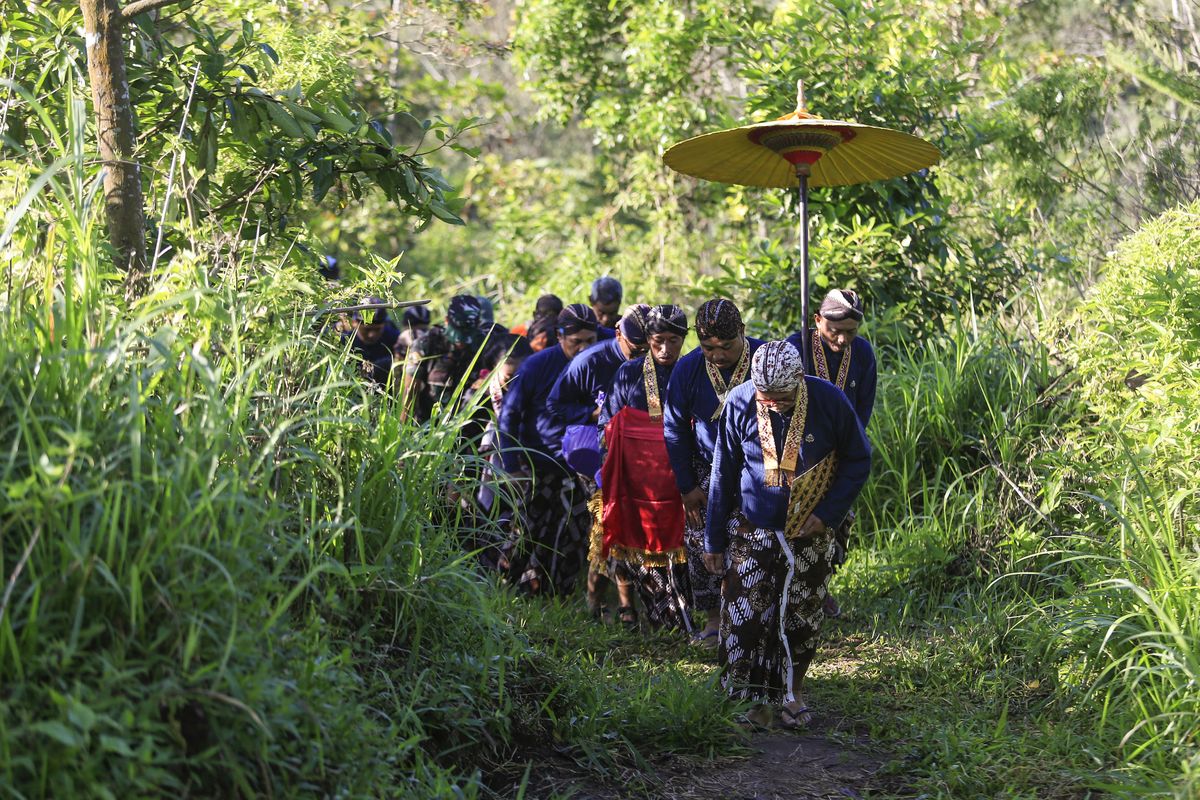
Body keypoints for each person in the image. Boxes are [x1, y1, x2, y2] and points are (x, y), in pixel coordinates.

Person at [703, 340, 871, 729]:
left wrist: (827, 515)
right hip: (752, 530)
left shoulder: (828, 400)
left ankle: (792, 695)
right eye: (767, 397)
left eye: (782, 397)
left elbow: (858, 459)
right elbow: (722, 473)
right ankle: (750, 701)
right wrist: (713, 539)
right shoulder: (740, 402)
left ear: (800, 380)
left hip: (808, 534)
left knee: (801, 616)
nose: (773, 404)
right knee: (746, 618)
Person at [663, 299, 763, 645]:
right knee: (701, 539)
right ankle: (712, 617)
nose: (718, 355)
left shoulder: (764, 360)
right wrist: (686, 485)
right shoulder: (688, 369)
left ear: (743, 333)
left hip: (756, 466)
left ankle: (752, 614)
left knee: (755, 540)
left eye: (727, 346)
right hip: (704, 468)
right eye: (708, 347)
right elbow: (674, 428)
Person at [547, 304, 652, 620]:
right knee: (606, 522)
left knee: (635, 524)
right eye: (637, 347)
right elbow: (555, 405)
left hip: (640, 453)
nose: (644, 353)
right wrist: (590, 415)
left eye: (649, 347)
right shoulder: (590, 361)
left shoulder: (656, 360)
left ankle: (630, 604)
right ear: (619, 333)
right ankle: (596, 601)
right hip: (596, 454)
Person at [598, 304, 691, 630]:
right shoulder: (628, 373)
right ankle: (658, 617)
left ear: (685, 339)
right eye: (658, 341)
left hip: (683, 482)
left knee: (685, 552)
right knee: (644, 555)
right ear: (647, 339)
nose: (666, 349)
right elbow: (608, 425)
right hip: (641, 484)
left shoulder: (694, 369)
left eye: (674, 341)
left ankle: (687, 617)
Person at [497, 304, 600, 595]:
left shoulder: (600, 363)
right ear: (559, 337)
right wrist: (511, 465)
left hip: (579, 466)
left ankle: (558, 594)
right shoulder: (537, 365)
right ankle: (504, 588)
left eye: (589, 341)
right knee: (526, 529)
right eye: (575, 341)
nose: (583, 348)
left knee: (575, 532)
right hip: (536, 462)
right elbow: (509, 415)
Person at [786, 288, 877, 617]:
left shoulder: (862, 354)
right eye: (833, 331)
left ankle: (821, 586)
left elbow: (863, 407)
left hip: (841, 452)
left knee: (835, 524)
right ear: (817, 320)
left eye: (849, 333)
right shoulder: (796, 348)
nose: (840, 340)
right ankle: (792, 589)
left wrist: (849, 446)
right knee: (795, 522)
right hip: (800, 454)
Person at [402, 295, 508, 423]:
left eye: (467, 333)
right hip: (430, 423)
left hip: (472, 423)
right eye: (458, 332)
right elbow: (410, 390)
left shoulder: (488, 344)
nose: (461, 342)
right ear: (447, 321)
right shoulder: (427, 344)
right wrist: (403, 429)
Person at [343, 297, 402, 387]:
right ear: (354, 323)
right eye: (367, 330)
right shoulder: (345, 341)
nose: (372, 335)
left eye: (377, 329)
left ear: (384, 324)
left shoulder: (394, 337)